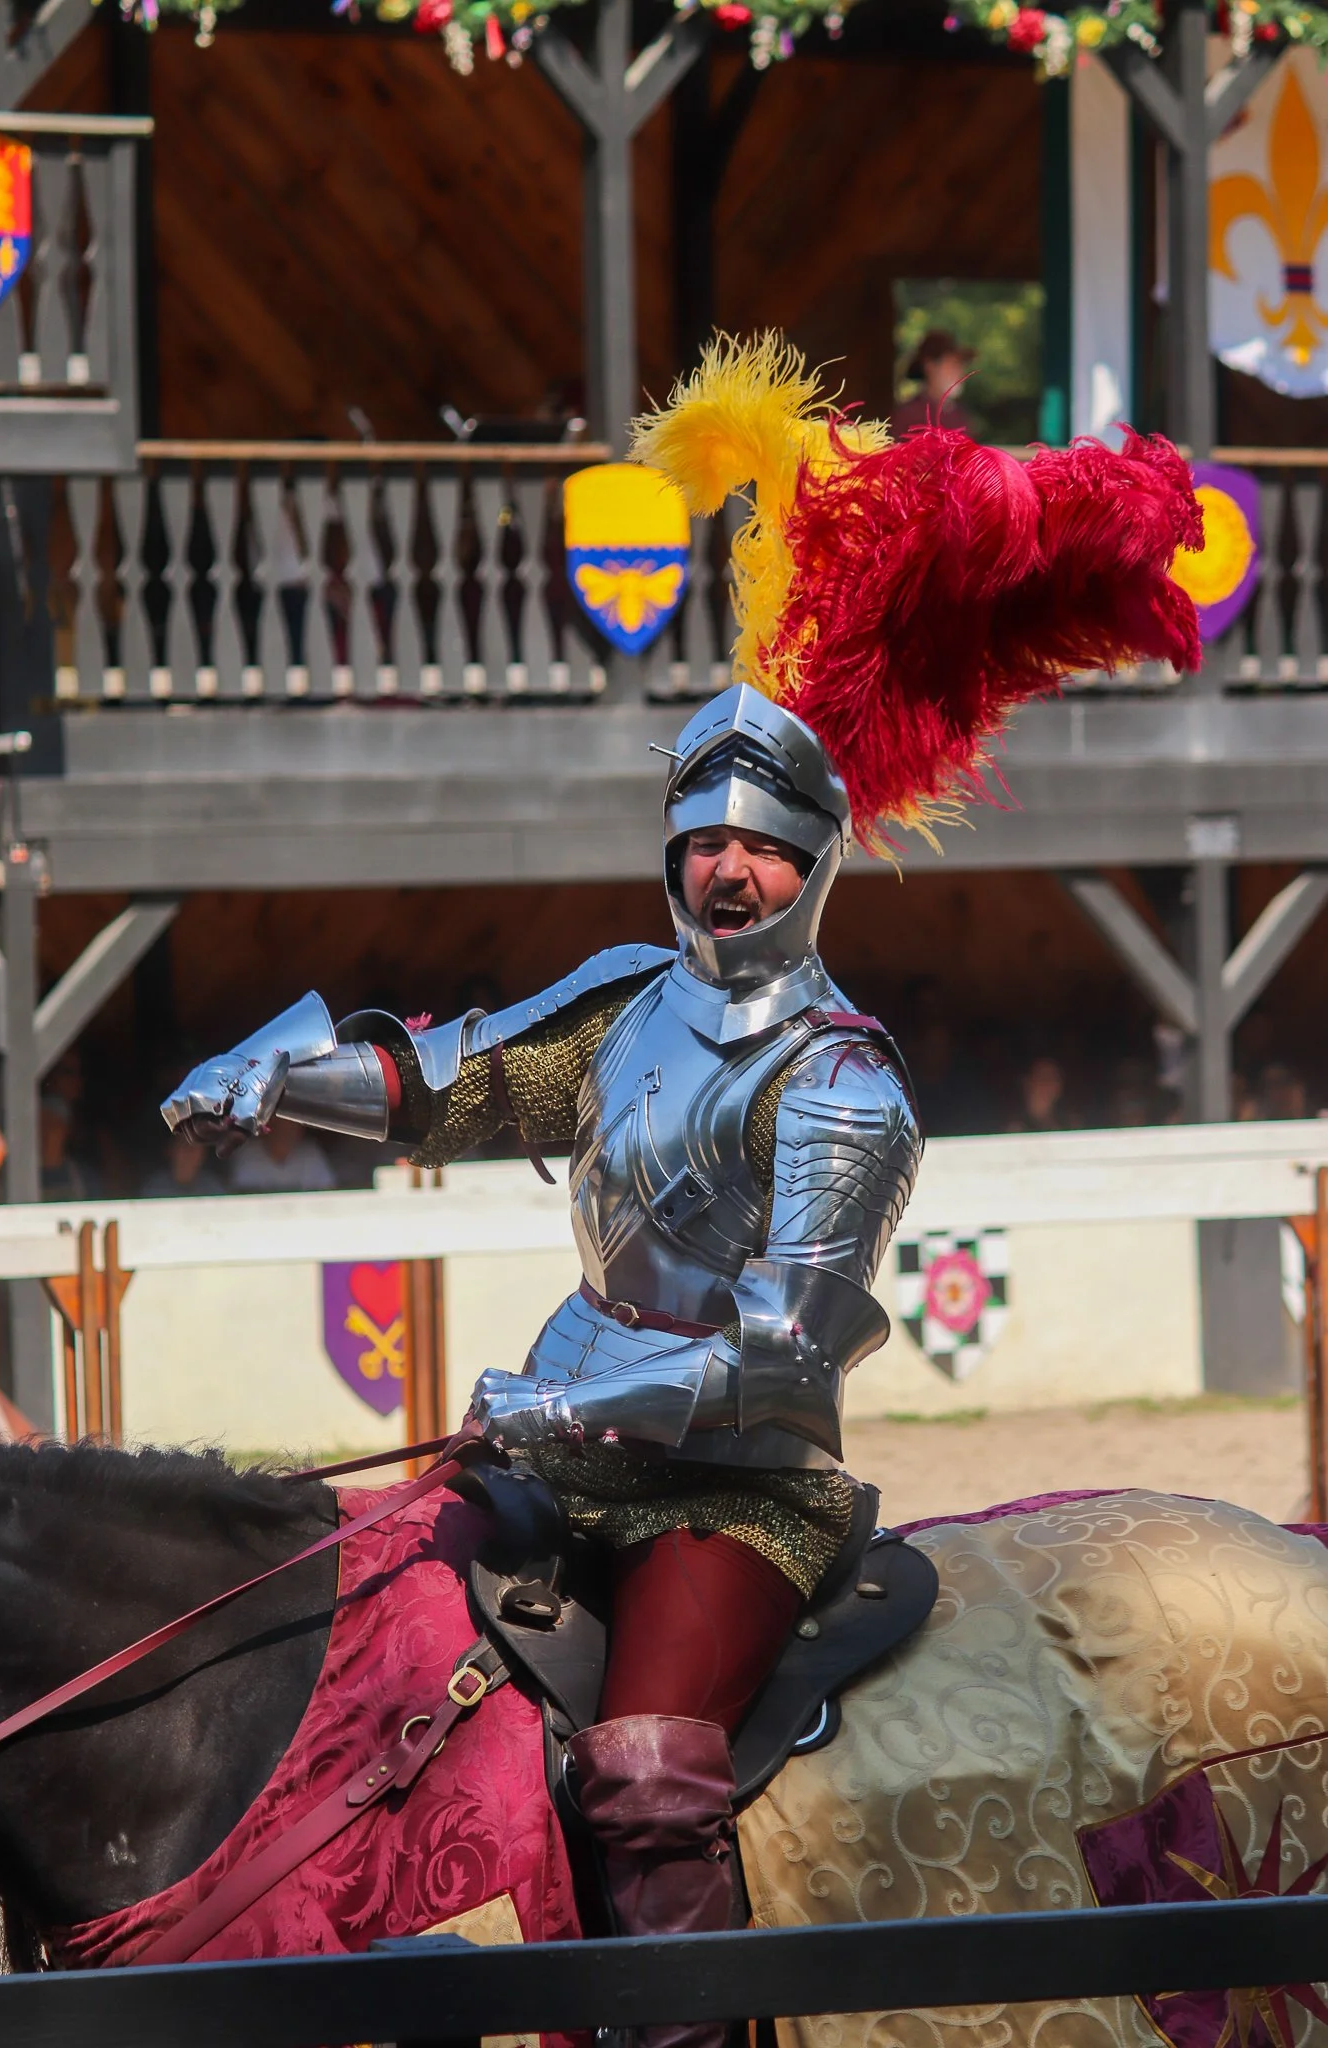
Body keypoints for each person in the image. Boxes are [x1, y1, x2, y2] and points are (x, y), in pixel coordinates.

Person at [162, 334, 1201, 2036]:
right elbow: (452, 1074)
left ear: (813, 860)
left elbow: (791, 1349)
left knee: (646, 1765)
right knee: (351, 1619)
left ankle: (696, 2024)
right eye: (702, 839)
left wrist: (567, 1411)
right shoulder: (625, 1004)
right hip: (556, 1431)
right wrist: (284, 1075)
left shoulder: (843, 1074)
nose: (725, 865)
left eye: (758, 843)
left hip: (734, 1485)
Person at [890, 328, 977, 440]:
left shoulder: (960, 414)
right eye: (951, 365)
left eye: (960, 365)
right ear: (930, 366)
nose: (959, 372)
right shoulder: (908, 415)